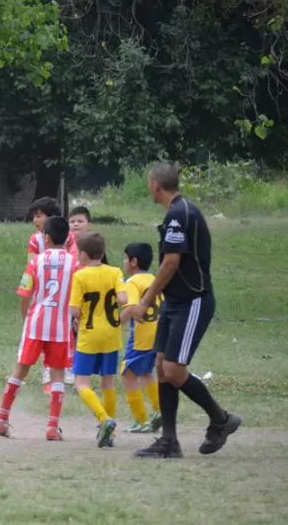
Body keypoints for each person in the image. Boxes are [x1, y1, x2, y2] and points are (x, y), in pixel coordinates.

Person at [133, 164, 241, 459]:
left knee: (173, 370)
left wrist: (146, 299)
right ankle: (169, 442)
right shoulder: (178, 212)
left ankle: (221, 419)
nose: (148, 187)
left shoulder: (179, 214)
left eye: (148, 183)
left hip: (193, 300)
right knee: (161, 366)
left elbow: (171, 263)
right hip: (175, 301)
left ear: (155, 184)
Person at [0, 216, 76, 441]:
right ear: (68, 237)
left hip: (36, 324)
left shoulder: (35, 262)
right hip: (60, 327)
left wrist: (25, 318)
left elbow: (24, 294)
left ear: (46, 237)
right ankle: (52, 427)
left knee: (20, 369)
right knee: (58, 374)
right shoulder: (74, 263)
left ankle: (2, 418)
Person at [68, 232, 128, 448]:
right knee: (108, 381)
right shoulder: (115, 271)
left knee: (81, 383)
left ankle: (104, 419)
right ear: (102, 253)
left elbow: (74, 309)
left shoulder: (80, 276)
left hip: (89, 335)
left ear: (83, 254)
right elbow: (123, 298)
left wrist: (79, 314)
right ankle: (109, 435)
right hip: (112, 334)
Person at [26, 197, 78, 390]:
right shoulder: (35, 239)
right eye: (34, 217)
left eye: (39, 216)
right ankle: (48, 371)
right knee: (43, 330)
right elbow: (31, 264)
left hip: (65, 290)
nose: (35, 221)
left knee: (66, 329)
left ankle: (68, 367)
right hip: (44, 291)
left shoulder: (68, 237)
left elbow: (74, 262)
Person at [120, 242, 163, 434]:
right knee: (146, 373)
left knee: (127, 374)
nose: (124, 262)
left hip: (142, 335)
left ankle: (141, 420)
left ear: (133, 262)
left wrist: (115, 325)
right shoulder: (155, 279)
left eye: (125, 258)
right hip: (159, 333)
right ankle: (159, 412)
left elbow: (130, 308)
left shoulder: (132, 282)